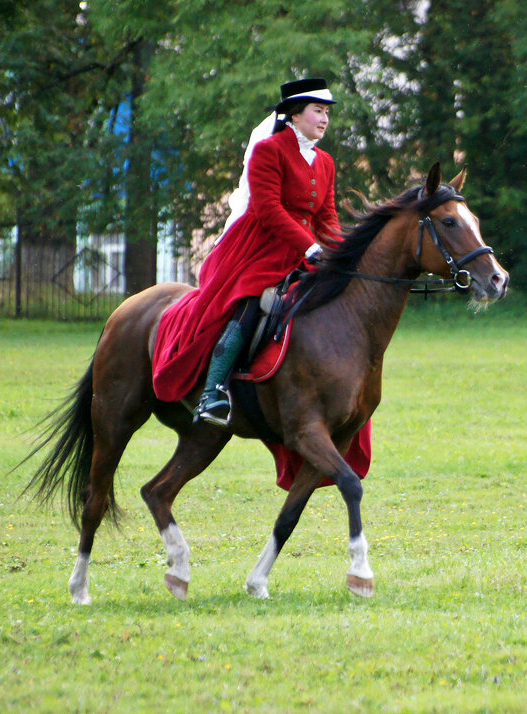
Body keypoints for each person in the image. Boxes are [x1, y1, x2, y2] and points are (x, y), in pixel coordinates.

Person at [151, 77, 371, 488]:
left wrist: (342, 253)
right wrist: (309, 249)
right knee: (255, 300)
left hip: (308, 249)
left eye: (327, 113)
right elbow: (268, 209)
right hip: (259, 247)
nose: (324, 119)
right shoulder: (269, 150)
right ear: (294, 114)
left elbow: (326, 216)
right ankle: (214, 390)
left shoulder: (324, 161)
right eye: (317, 111)